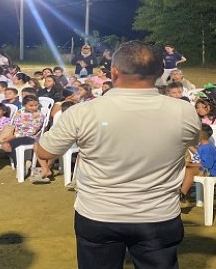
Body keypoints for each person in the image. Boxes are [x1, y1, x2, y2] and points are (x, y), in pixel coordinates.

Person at [35, 41, 200, 268]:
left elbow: (44, 150)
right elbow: (192, 145)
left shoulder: (83, 112)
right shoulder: (184, 111)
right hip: (158, 215)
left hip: (98, 214)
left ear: (113, 72)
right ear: (161, 72)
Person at [180, 124, 216, 203]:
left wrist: (191, 165)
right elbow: (198, 154)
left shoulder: (208, 148)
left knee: (189, 171)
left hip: (210, 171)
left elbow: (207, 164)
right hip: (203, 168)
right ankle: (179, 191)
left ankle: (182, 194)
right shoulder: (203, 145)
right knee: (183, 169)